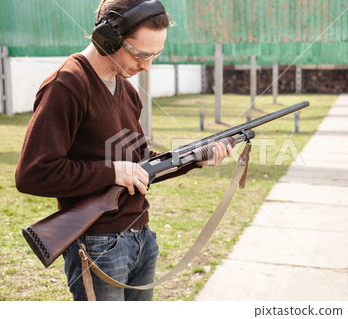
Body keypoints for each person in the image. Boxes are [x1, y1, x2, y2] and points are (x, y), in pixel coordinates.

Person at [15, 0, 231, 301]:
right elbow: (33, 174)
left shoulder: (127, 90)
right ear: (108, 37)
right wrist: (112, 172)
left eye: (155, 55)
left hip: (141, 237)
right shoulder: (67, 85)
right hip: (98, 245)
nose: (147, 66)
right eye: (141, 54)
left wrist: (196, 158)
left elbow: (140, 164)